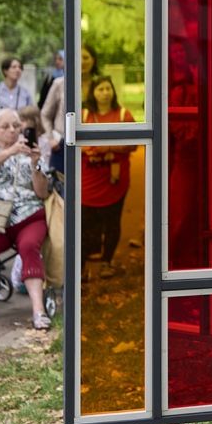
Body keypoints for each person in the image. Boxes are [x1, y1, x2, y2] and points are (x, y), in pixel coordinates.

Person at [0, 108, 51, 329]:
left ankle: (38, 311)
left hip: (28, 215)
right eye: (6, 126)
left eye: (16, 126)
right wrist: (9, 152)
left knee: (29, 246)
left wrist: (35, 164)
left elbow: (42, 192)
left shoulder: (29, 151)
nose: (12, 130)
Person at [80, 74, 135, 279]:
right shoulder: (84, 115)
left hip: (115, 181)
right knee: (85, 224)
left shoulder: (123, 115)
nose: (105, 93)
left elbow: (133, 144)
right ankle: (81, 268)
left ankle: (107, 262)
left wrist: (106, 147)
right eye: (100, 89)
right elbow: (74, 142)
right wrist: (89, 148)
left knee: (112, 222)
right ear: (93, 93)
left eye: (108, 88)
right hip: (88, 181)